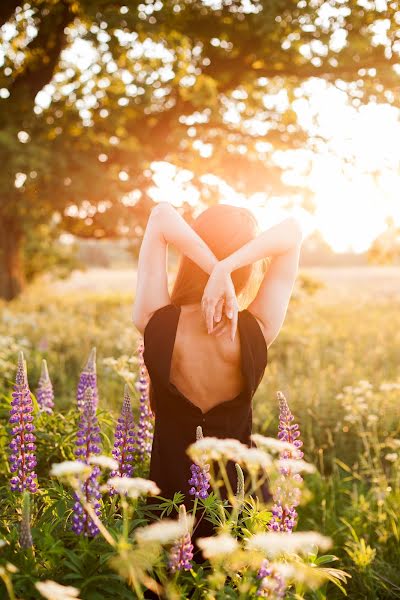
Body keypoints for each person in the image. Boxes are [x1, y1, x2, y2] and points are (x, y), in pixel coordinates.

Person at [132, 201, 302, 571]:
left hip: (168, 508)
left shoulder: (153, 320)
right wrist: (227, 267)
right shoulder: (257, 329)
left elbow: (161, 215)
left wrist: (215, 268)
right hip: (241, 505)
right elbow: (291, 232)